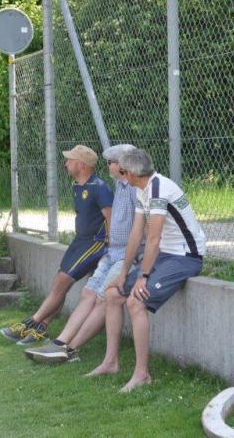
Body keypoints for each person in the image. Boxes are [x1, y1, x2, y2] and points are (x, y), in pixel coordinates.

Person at [89, 148, 206, 392]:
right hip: (165, 254)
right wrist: (123, 273)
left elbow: (153, 238)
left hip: (185, 257)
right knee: (112, 293)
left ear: (130, 173)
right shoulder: (142, 189)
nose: (121, 175)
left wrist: (143, 276)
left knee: (136, 301)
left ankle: (142, 375)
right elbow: (136, 233)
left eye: (122, 171)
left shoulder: (158, 189)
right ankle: (110, 363)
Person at [24, 144, 139, 364]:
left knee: (103, 299)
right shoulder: (121, 185)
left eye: (110, 163)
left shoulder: (135, 190)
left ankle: (69, 349)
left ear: (122, 166)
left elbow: (142, 227)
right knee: (88, 294)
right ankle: (60, 343)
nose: (107, 166)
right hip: (113, 252)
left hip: (127, 255)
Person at [0, 145, 113, 345]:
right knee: (59, 285)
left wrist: (111, 247)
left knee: (62, 282)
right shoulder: (77, 186)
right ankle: (41, 328)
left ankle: (30, 323)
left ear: (81, 165)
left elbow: (111, 218)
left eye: (70, 160)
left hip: (95, 243)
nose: (65, 163)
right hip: (80, 241)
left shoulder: (99, 187)